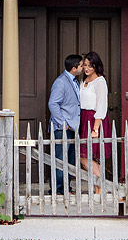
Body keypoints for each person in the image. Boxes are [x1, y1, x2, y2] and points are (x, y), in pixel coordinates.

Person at [47, 53, 83, 195]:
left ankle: (66, 188)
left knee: (70, 159)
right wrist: (62, 123)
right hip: (63, 127)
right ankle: (58, 189)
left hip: (73, 126)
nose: (83, 68)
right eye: (81, 65)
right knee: (61, 159)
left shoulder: (74, 81)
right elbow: (53, 103)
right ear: (74, 68)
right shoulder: (61, 82)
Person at [79, 51, 110, 193]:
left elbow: (102, 105)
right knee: (86, 157)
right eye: (85, 65)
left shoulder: (100, 81)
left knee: (87, 157)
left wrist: (96, 128)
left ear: (96, 66)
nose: (87, 68)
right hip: (84, 118)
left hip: (94, 119)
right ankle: (98, 188)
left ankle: (100, 187)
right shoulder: (83, 81)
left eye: (90, 66)